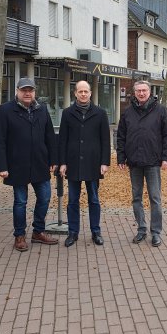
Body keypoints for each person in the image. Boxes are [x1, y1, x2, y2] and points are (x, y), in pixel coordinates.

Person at [0, 77, 59, 251]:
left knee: (44, 197)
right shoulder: (5, 110)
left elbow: (50, 137)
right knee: (20, 201)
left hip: (40, 163)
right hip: (17, 164)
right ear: (17, 91)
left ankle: (38, 232)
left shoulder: (42, 110)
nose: (27, 93)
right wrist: (1, 166)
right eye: (24, 90)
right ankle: (19, 235)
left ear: (35, 92)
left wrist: (53, 159)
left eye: (30, 90)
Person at [116, 81, 167, 247]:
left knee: (155, 198)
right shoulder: (127, 112)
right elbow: (121, 136)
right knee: (136, 198)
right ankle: (141, 229)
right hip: (134, 162)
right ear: (134, 93)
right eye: (138, 91)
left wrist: (166, 158)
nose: (141, 93)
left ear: (150, 92)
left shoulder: (161, 110)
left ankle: (155, 232)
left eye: (144, 90)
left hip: (153, 162)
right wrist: (121, 157)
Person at [58, 80, 111, 247]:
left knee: (94, 200)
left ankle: (96, 231)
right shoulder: (67, 113)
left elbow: (105, 140)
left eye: (85, 91)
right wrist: (62, 162)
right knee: (73, 200)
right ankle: (73, 232)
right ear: (75, 93)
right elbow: (62, 140)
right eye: (80, 91)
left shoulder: (100, 113)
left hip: (93, 163)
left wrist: (105, 162)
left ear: (90, 93)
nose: (83, 94)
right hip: (73, 163)